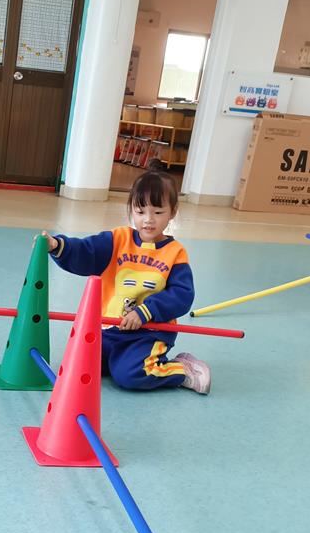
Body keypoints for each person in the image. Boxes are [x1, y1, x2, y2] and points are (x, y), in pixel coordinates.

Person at [39, 159, 210, 395]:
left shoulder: (175, 253)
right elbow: (86, 251)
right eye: (140, 212)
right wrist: (58, 245)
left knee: (131, 376)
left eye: (158, 212)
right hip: (108, 329)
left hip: (148, 334)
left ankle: (182, 369)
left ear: (172, 212)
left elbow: (182, 295)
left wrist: (145, 312)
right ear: (131, 210)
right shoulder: (117, 239)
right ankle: (118, 360)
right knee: (77, 365)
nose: (148, 219)